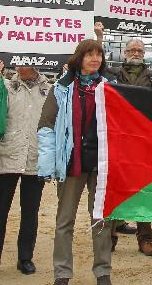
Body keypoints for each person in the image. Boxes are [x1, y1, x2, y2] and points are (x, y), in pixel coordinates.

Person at [38, 40, 116, 285]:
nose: (95, 59)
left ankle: (103, 272)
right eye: (89, 55)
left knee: (102, 220)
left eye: (99, 55)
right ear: (79, 58)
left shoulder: (110, 89)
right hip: (72, 163)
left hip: (100, 165)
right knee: (64, 221)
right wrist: (46, 164)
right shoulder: (60, 88)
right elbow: (46, 127)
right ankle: (62, 273)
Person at [0, 61, 51, 279]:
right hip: (5, 155)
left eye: (26, 62)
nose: (21, 67)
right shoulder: (4, 85)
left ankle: (25, 257)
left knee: (31, 211)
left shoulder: (49, 89)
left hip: (34, 157)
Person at [103, 37, 152, 252]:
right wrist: (99, 37)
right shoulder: (111, 74)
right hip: (116, 138)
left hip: (143, 139)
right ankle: (109, 236)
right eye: (132, 50)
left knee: (143, 189)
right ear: (124, 52)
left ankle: (145, 238)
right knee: (114, 187)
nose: (136, 53)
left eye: (140, 50)